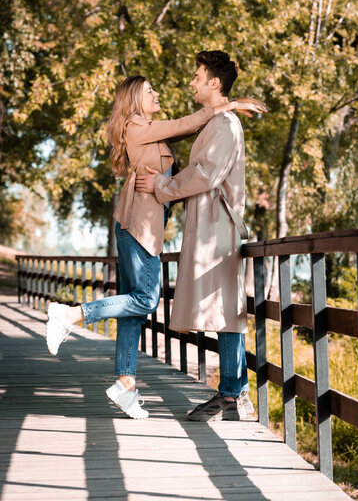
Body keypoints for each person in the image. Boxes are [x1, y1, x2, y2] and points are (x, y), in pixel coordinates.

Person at [45, 74, 266, 420]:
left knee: (133, 307)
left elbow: (190, 127)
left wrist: (224, 110)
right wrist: (232, 103)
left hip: (141, 225)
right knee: (146, 299)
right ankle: (71, 314)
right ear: (134, 100)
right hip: (139, 226)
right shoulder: (136, 125)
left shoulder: (149, 129)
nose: (158, 92)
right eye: (150, 90)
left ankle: (126, 385)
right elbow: (187, 122)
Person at [136, 50, 263, 421]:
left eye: (197, 76)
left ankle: (230, 394)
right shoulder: (217, 122)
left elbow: (205, 175)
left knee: (226, 311)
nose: (192, 82)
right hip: (209, 227)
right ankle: (233, 394)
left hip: (218, 231)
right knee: (223, 311)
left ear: (214, 83)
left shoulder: (225, 127)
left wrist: (161, 184)